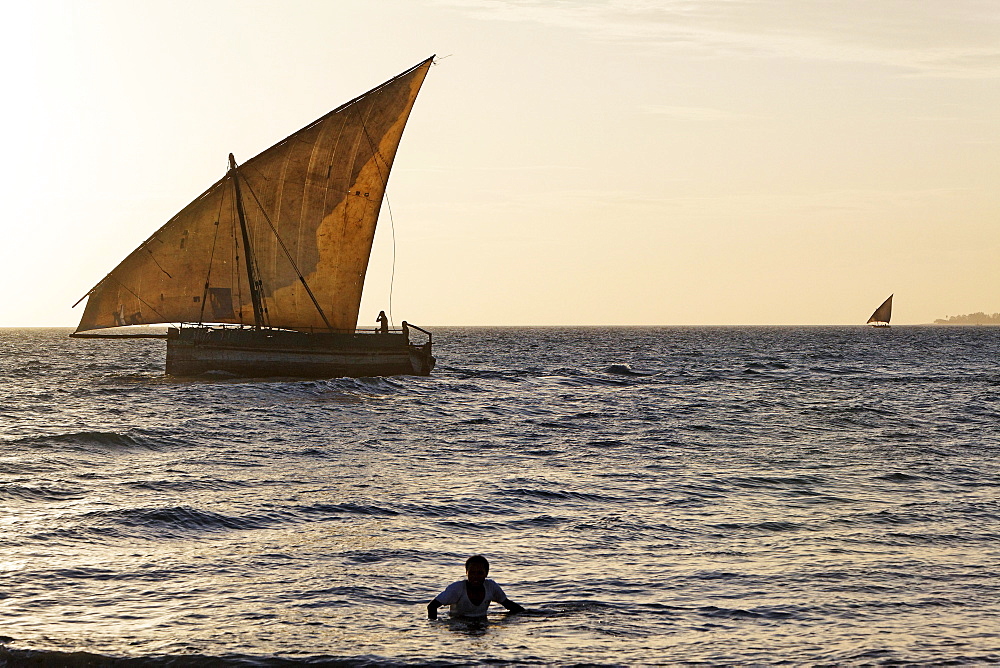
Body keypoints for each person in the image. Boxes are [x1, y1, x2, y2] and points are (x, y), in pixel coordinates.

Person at [427, 555, 525, 620]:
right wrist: (434, 628)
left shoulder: (491, 586)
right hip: (459, 625)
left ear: (486, 574)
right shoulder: (456, 589)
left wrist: (529, 616)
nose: (475, 577)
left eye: (480, 573)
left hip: (482, 623)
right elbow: (432, 606)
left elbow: (509, 605)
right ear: (466, 573)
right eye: (472, 573)